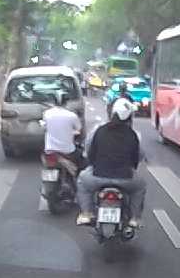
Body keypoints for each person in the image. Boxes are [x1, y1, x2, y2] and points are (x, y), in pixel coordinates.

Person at [77, 97, 145, 227]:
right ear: (129, 117)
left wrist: (93, 164)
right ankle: (135, 218)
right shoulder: (133, 134)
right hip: (125, 178)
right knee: (140, 186)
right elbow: (136, 158)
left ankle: (86, 213)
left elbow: (90, 152)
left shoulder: (99, 130)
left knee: (82, 181)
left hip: (97, 176)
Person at [42, 94, 83, 176]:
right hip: (68, 151)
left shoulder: (47, 113)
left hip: (50, 150)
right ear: (66, 103)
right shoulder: (72, 115)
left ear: (53, 103)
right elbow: (79, 129)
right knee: (82, 162)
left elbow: (45, 127)